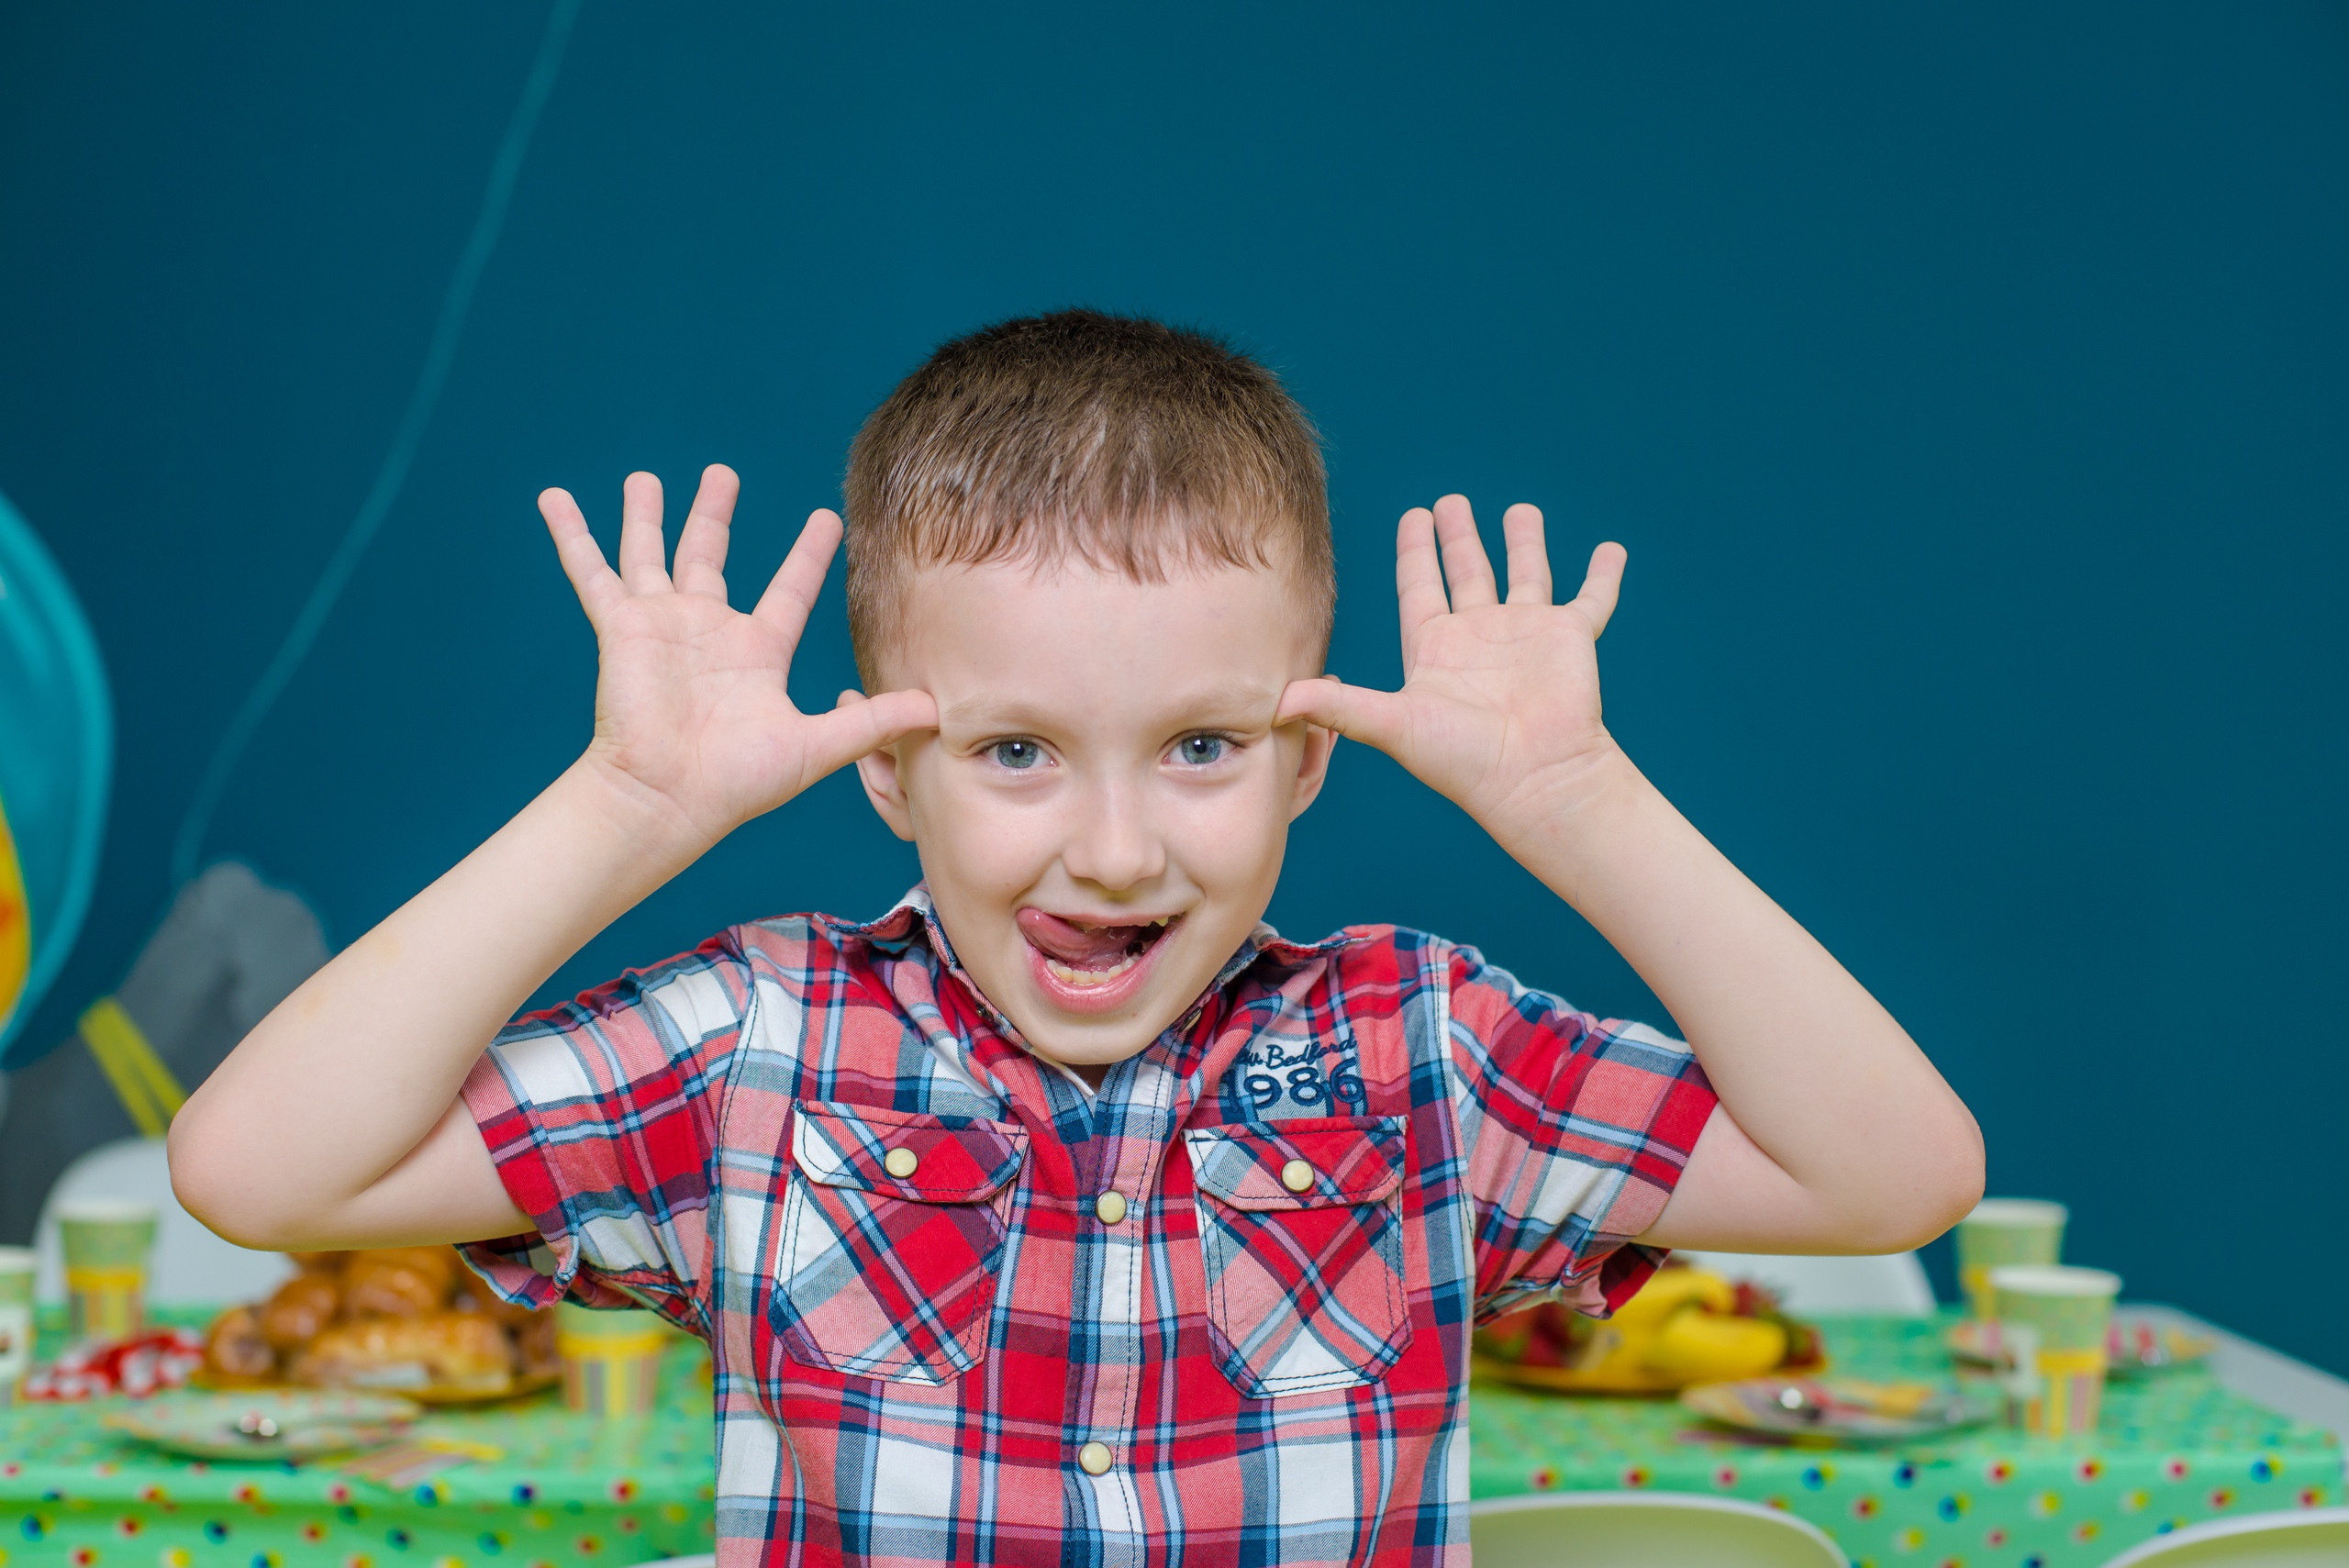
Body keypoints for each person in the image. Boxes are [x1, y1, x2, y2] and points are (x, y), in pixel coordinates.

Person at [170, 310, 1983, 1564]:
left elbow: (1894, 1176)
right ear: (892, 772)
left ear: (1301, 762)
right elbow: (253, 1169)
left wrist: (1581, 807)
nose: (1112, 852)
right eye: (1014, 752)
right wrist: (625, 813)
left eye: (1198, 749)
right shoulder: (759, 1046)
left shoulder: (1423, 1054)